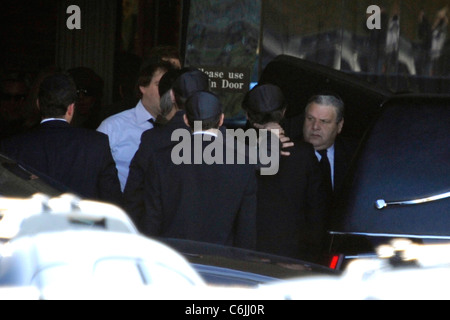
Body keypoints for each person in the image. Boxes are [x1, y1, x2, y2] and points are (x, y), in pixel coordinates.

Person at [141, 91, 257, 249]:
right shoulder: (244, 164)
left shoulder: (161, 159)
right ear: (221, 119)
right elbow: (246, 230)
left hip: (175, 261)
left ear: (186, 120)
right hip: (222, 263)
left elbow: (151, 220)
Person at [0, 73, 122, 205]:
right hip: (81, 224)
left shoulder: (11, 146)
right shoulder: (97, 143)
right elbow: (112, 200)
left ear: (38, 104)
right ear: (71, 108)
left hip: (32, 224)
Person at [242, 84, 328, 260]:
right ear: (284, 112)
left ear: (248, 116)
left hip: (244, 258)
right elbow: (317, 216)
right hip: (290, 261)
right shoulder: (304, 155)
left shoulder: (234, 153)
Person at [123, 67, 209, 225]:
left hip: (165, 242)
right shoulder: (232, 145)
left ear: (171, 96)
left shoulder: (154, 140)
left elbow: (134, 198)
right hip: (218, 246)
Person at [97, 60, 172, 191]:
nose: (166, 92)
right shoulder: (113, 126)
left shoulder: (179, 128)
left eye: (170, 87)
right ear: (143, 86)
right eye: (160, 85)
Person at [303, 94, 358, 200]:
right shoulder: (287, 151)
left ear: (339, 126)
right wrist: (266, 131)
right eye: (310, 119)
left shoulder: (355, 154)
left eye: (324, 121)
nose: (315, 127)